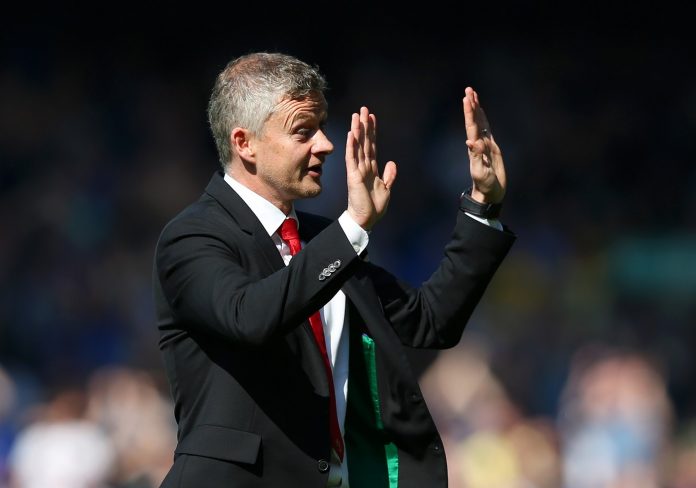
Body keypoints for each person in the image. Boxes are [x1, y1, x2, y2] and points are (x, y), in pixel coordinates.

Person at [152, 51, 515, 488]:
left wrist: (482, 205)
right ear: (244, 143)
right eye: (304, 131)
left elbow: (428, 324)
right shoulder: (193, 236)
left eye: (322, 127)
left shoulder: (326, 241)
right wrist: (352, 228)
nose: (324, 143)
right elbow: (249, 317)